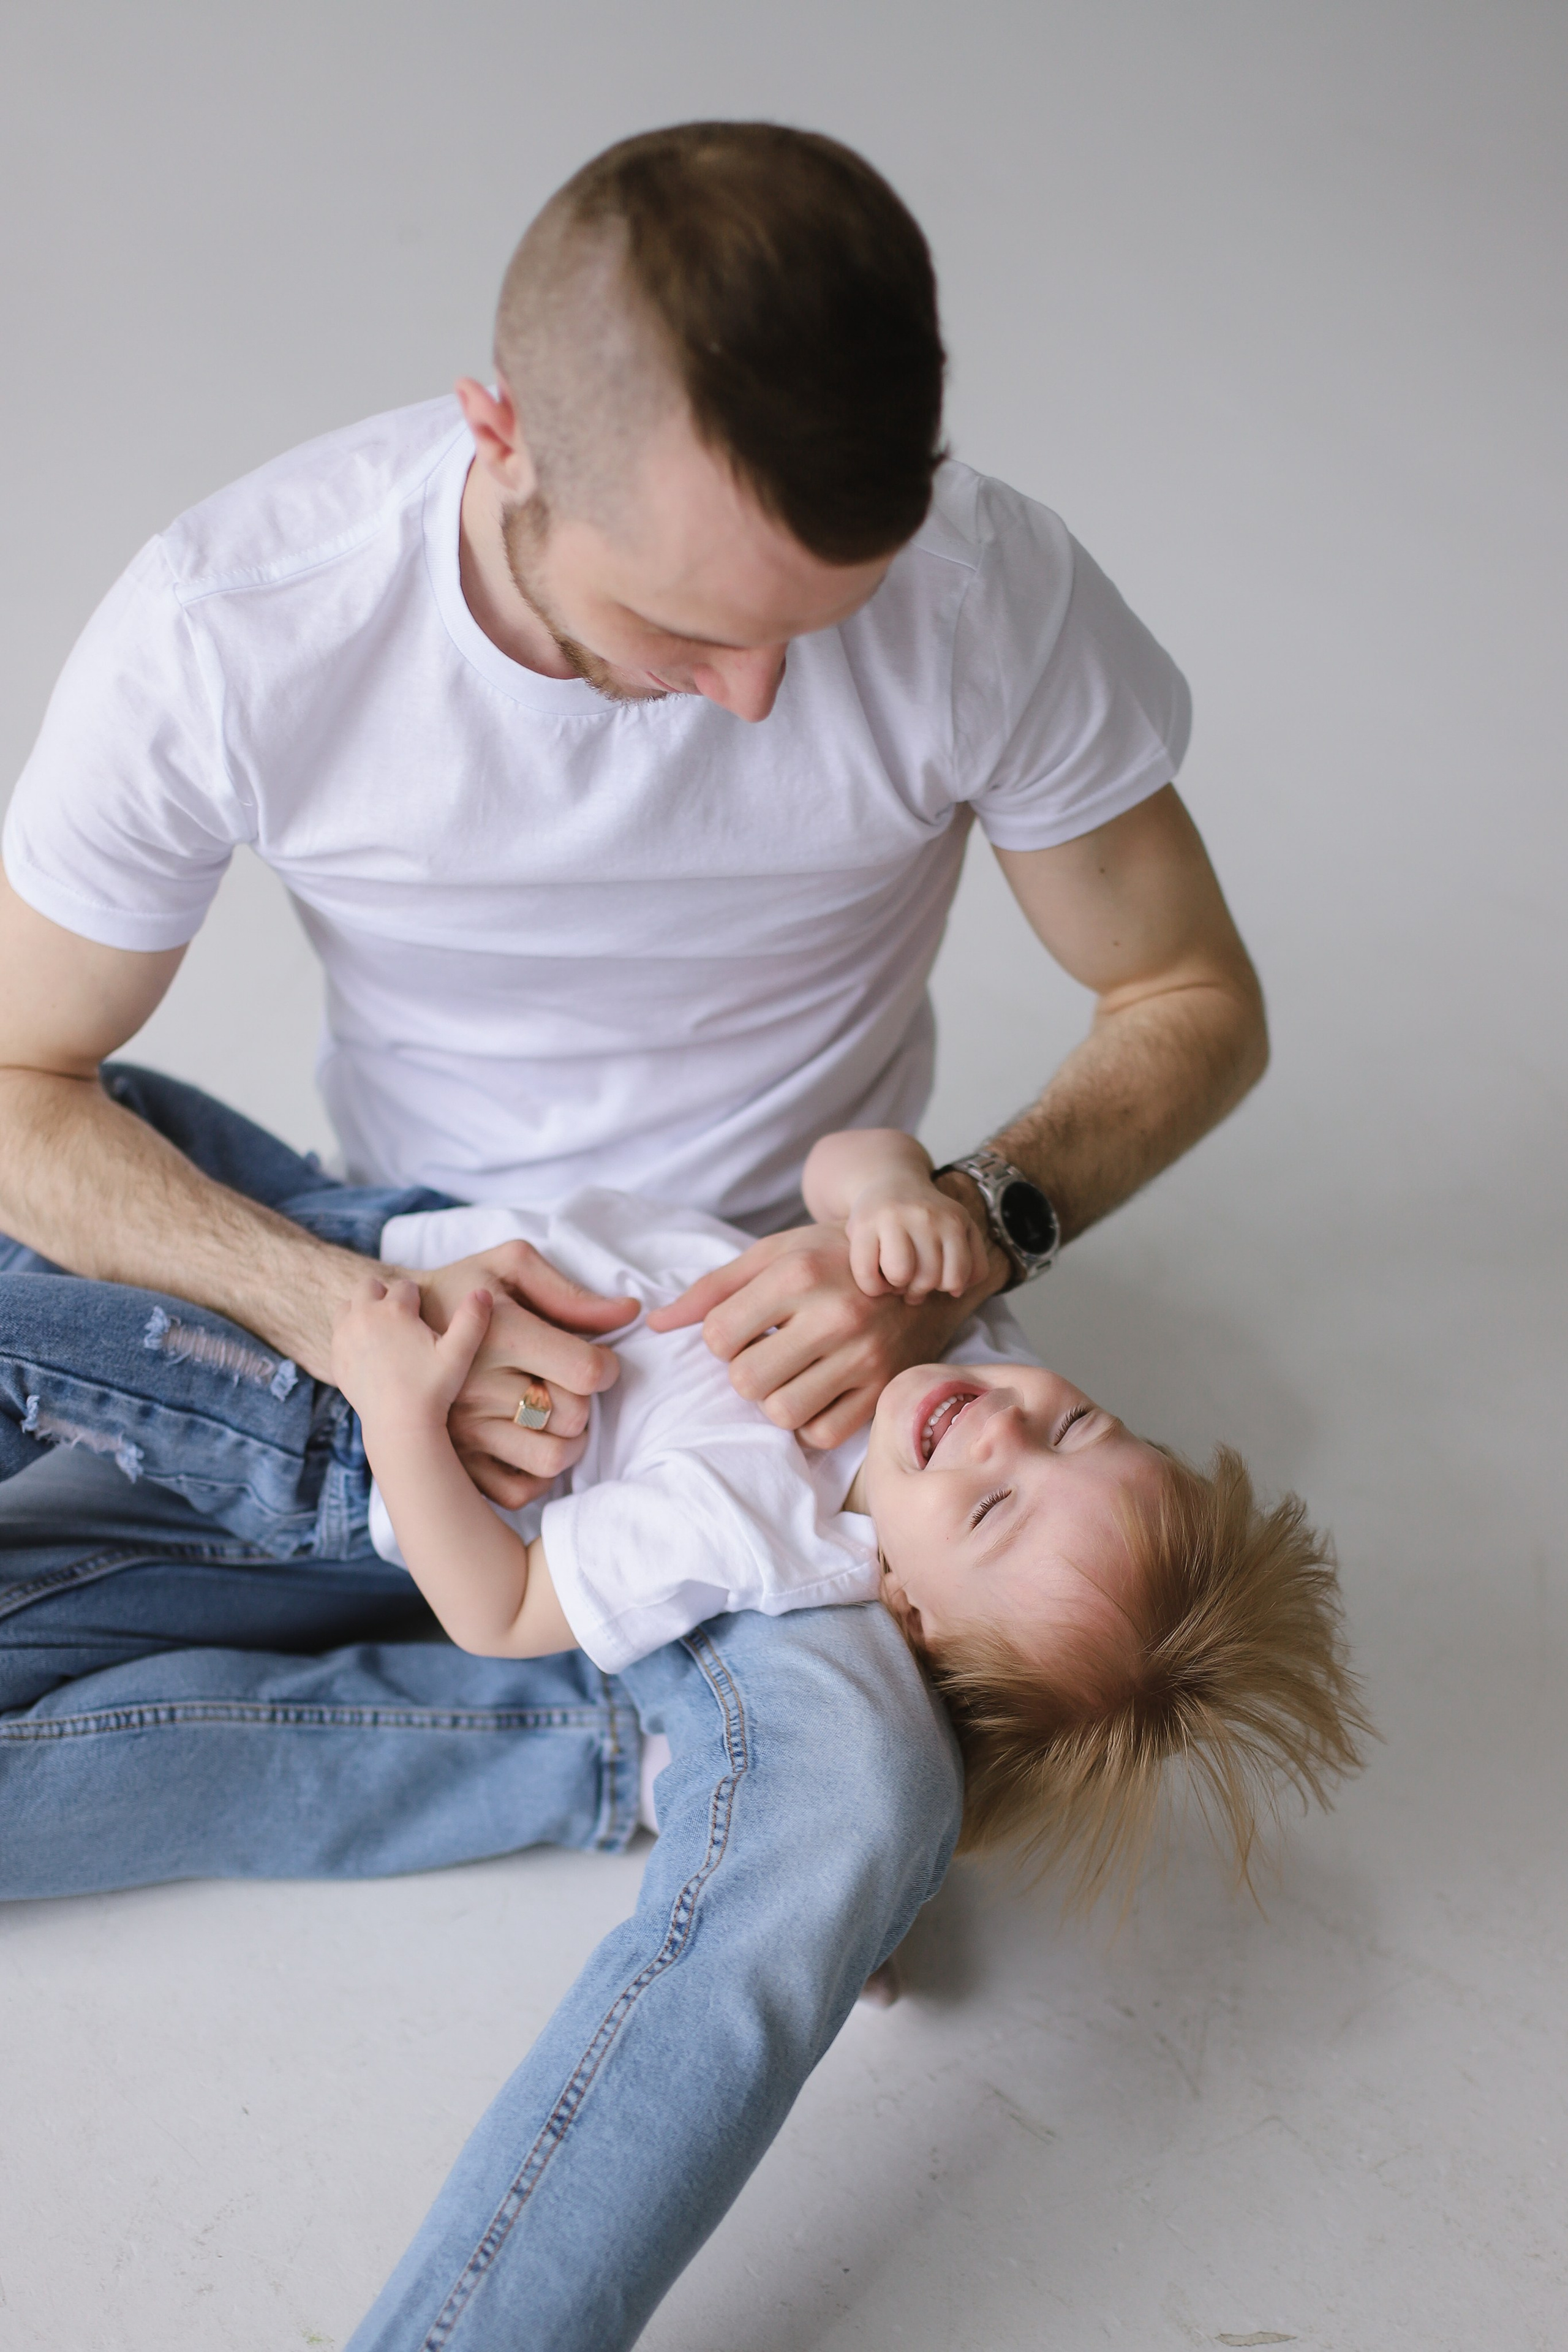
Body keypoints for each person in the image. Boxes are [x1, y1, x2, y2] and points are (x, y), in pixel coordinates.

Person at [0, 121, 1271, 2349]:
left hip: (795, 1404)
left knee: (851, 1783)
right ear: (500, 439)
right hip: (394, 1291)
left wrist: (968, 1218)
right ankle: (607, 1750)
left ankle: (661, 1798)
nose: (765, 700)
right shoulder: (242, 621)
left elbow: (1189, 1003)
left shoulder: (989, 590)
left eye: (822, 627)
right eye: (690, 630)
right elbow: (18, 1082)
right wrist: (350, 1311)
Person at [0, 1112, 1365, 1903]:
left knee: (23, 1337)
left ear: (906, 1603)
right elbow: (844, 1158)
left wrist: (398, 1407)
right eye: (1080, 1427)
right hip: (398, 1227)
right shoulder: (939, 1353)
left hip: (337, 1415)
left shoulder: (761, 1524)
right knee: (74, 1125)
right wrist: (892, 1195)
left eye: (994, 1512)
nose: (1001, 1426)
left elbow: (500, 1607)